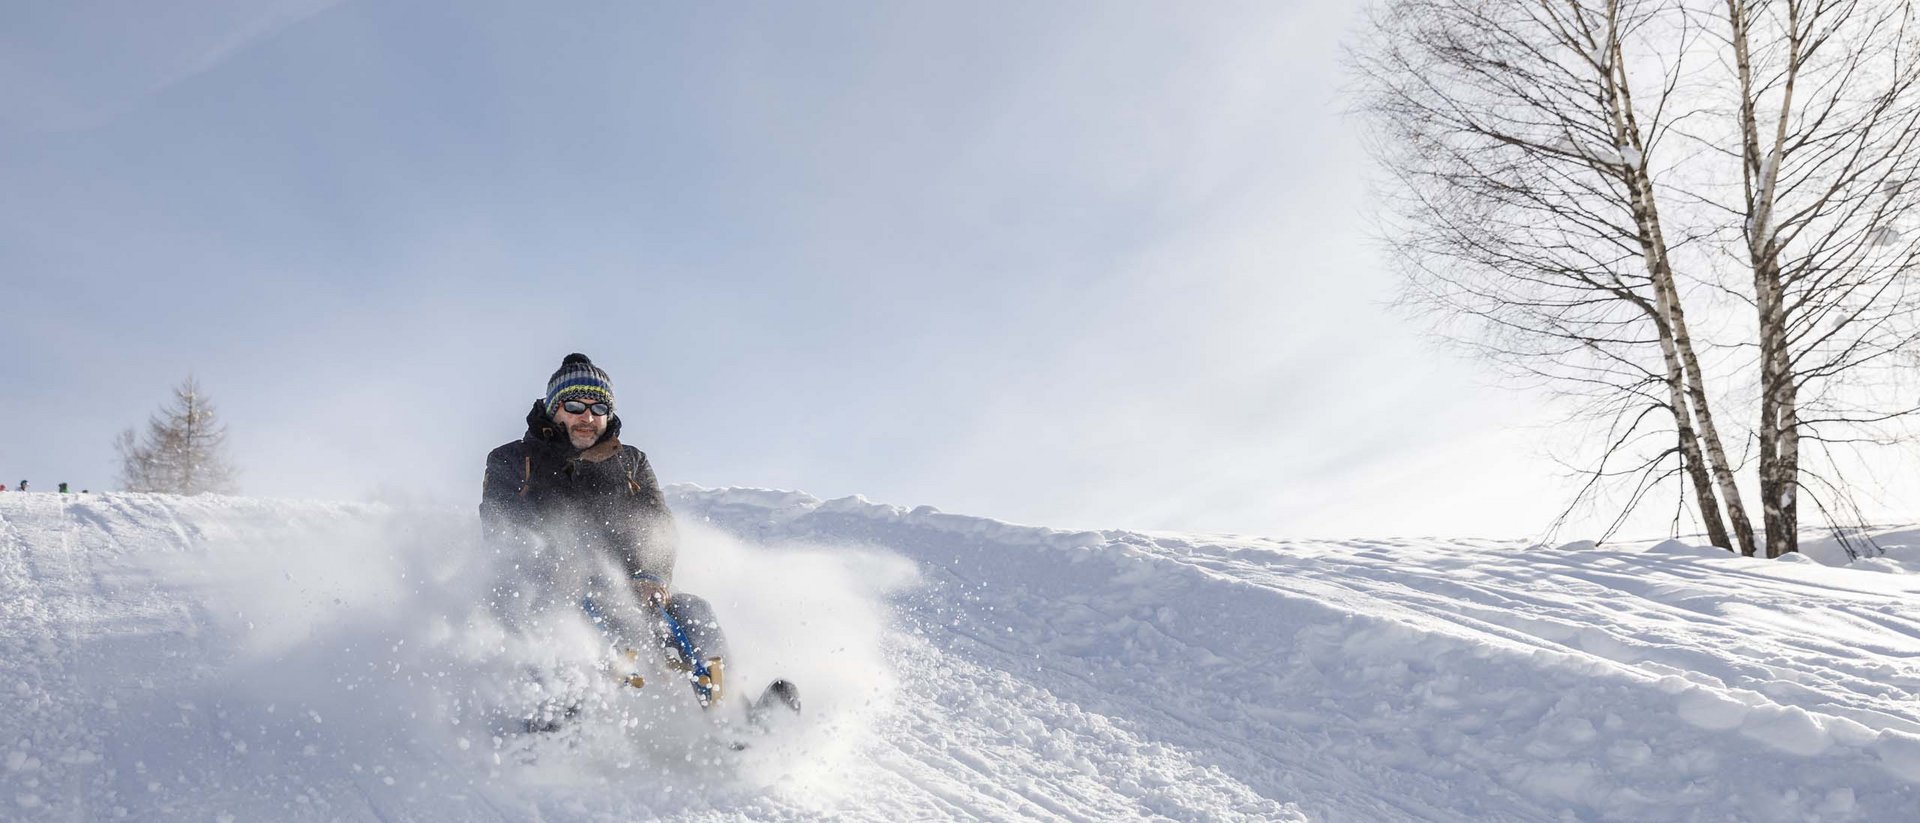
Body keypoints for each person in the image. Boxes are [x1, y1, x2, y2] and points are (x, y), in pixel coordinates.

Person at [479, 353, 733, 709]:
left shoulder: (631, 461)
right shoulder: (511, 459)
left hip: (628, 590)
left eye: (599, 409)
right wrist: (549, 567)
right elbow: (501, 524)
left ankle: (725, 715)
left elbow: (657, 525)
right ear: (554, 409)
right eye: (575, 405)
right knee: (564, 629)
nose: (587, 417)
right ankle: (556, 725)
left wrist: (652, 575)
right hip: (541, 593)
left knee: (693, 611)